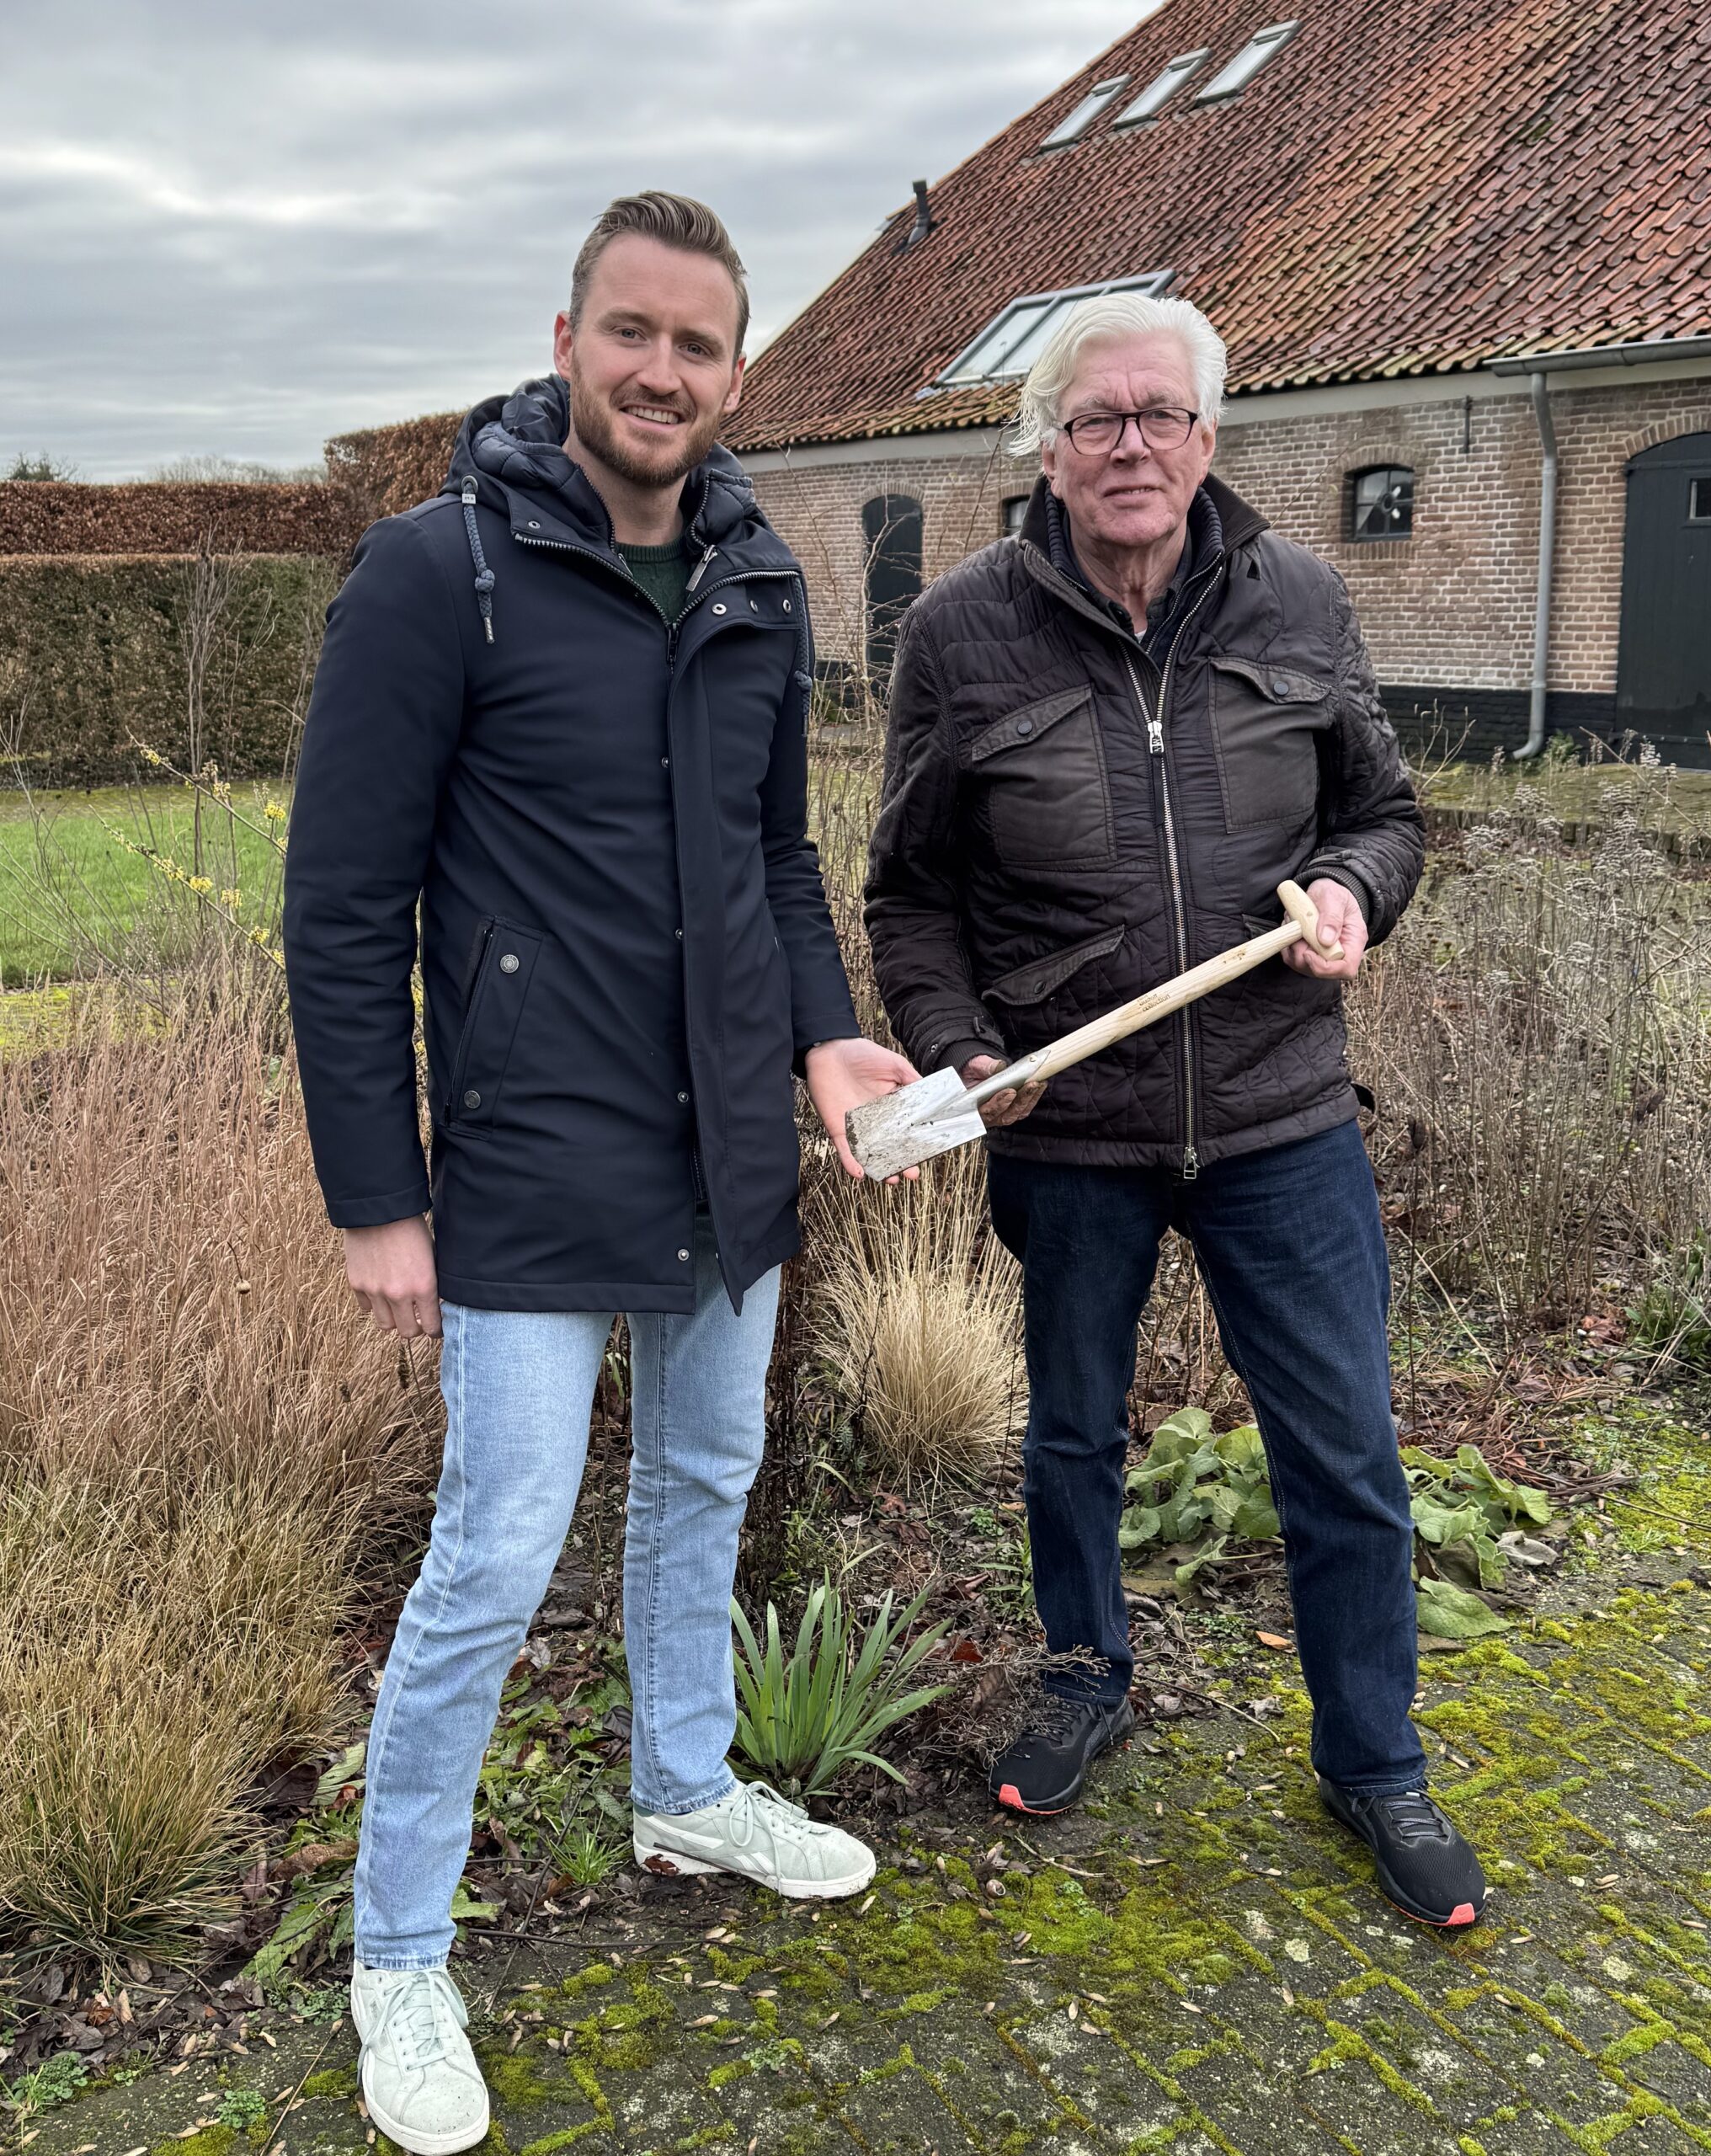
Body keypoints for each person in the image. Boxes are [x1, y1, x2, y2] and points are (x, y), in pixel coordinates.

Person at [285, 191, 916, 2156]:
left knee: (704, 1481)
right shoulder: (437, 574)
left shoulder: (757, 575)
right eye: (627, 332)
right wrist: (375, 1194)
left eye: (695, 344)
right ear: (565, 342)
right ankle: (399, 1950)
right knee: (493, 1551)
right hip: (530, 1161)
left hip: (728, 1150)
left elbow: (774, 857)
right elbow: (341, 906)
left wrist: (826, 1036)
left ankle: (683, 1783)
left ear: (734, 373)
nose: (660, 371)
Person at [864, 291, 1485, 1933]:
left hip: (1281, 1113)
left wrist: (1353, 891)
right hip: (1070, 1129)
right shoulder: (960, 634)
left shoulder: (1302, 601)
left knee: (1343, 1449)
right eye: (1094, 418)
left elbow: (1383, 812)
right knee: (1071, 1433)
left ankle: (1373, 1758)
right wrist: (958, 1047)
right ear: (1045, 448)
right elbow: (908, 895)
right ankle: (1084, 1675)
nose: (1128, 444)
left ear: (1208, 438)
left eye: (1159, 414)